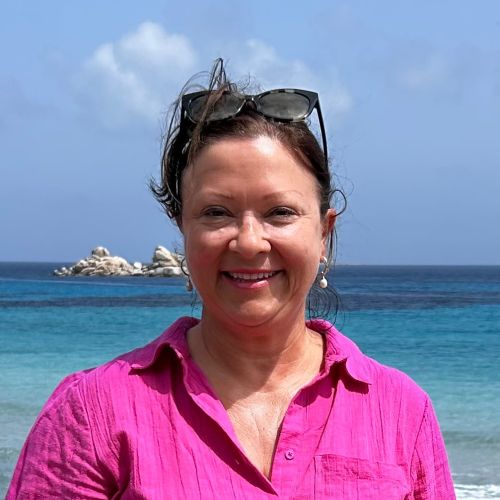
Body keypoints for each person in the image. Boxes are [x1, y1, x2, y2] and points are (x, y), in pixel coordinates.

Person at [7, 59, 455, 499]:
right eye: (216, 212)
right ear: (184, 228)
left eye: (280, 212)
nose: (249, 242)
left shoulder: (400, 411)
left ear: (324, 232)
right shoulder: (94, 411)